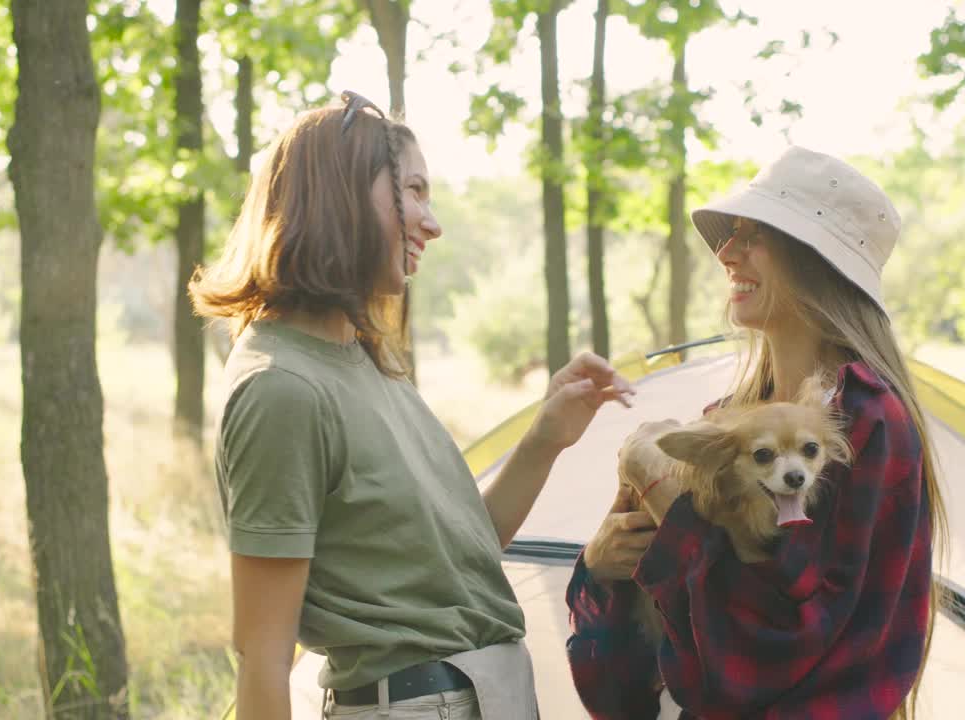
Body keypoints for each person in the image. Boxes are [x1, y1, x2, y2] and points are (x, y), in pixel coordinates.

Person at [189, 91, 635, 720]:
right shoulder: (281, 388)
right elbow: (261, 651)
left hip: (485, 691)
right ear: (340, 195)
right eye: (415, 192)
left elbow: (462, 559)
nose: (432, 221)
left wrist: (544, 438)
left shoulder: (365, 362)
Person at [566, 146, 946, 720]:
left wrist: (661, 489)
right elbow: (624, 687)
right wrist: (600, 565)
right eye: (730, 235)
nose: (725, 253)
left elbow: (771, 650)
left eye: (753, 235)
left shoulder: (866, 418)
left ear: (817, 261)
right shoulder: (723, 422)